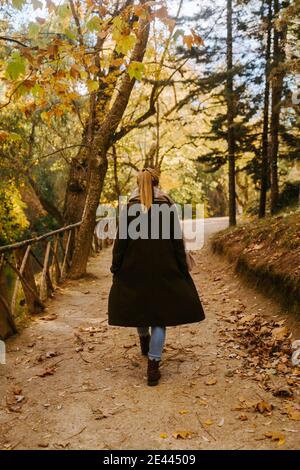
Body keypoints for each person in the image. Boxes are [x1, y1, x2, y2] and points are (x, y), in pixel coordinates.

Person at [108, 168, 205, 386]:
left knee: (139, 307)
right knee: (159, 318)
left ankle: (144, 341)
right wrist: (182, 267)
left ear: (138, 183)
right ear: (157, 183)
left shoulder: (130, 208)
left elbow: (120, 243)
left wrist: (116, 267)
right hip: (164, 269)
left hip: (134, 269)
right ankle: (153, 367)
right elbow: (176, 242)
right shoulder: (168, 206)